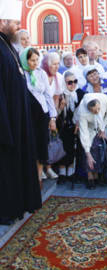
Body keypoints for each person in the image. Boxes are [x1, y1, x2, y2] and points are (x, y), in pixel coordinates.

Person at [0, 0, 41, 224]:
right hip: (6, 124)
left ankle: (18, 206)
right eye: (15, 22)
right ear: (2, 22)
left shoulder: (11, 49)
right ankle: (5, 211)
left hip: (18, 120)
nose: (18, 26)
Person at [20, 47, 58, 182]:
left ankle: (39, 177)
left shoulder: (41, 73)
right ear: (25, 60)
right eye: (31, 60)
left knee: (41, 144)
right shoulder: (20, 73)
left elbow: (48, 95)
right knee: (29, 145)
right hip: (26, 115)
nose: (35, 63)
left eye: (37, 60)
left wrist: (52, 117)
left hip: (41, 114)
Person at [73, 93, 107, 189]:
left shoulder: (105, 99)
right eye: (94, 111)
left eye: (98, 109)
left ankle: (97, 175)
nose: (97, 112)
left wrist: (103, 128)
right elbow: (84, 133)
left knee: (99, 149)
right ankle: (90, 177)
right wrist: (87, 152)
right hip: (88, 127)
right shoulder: (83, 113)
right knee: (89, 149)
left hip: (101, 126)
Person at [56, 71, 85, 184]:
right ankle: (62, 172)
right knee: (64, 148)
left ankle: (71, 172)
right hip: (63, 127)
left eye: (75, 81)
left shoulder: (80, 93)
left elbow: (84, 111)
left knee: (74, 149)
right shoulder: (60, 94)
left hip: (76, 126)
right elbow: (55, 114)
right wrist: (61, 106)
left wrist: (78, 123)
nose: (73, 85)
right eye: (69, 82)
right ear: (64, 83)